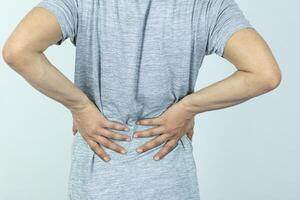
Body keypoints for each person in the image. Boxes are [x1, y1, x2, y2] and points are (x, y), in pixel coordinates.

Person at [2, 0, 281, 199]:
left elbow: (18, 50)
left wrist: (80, 106)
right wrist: (188, 107)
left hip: (99, 176)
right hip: (168, 178)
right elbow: (264, 73)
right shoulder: (208, 6)